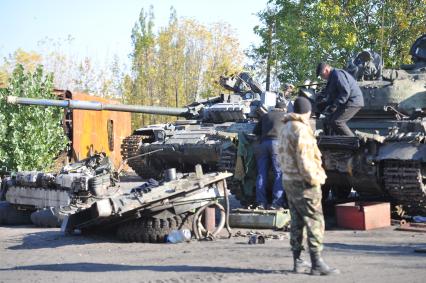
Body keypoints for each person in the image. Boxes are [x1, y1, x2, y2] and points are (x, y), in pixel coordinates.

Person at [278, 96, 339, 275]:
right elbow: (305, 160)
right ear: (307, 111)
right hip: (304, 182)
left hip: (289, 180)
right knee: (315, 221)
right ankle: (317, 263)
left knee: (297, 221)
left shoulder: (286, 127)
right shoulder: (301, 129)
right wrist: (314, 179)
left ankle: (297, 261)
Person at [252, 102, 287, 210]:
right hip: (277, 144)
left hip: (263, 145)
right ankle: (276, 203)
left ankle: (261, 203)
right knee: (279, 174)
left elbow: (255, 131)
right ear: (284, 109)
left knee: (261, 174)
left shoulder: (266, 115)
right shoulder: (287, 116)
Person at [316, 62, 364, 136]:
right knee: (328, 120)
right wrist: (322, 106)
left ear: (326, 70)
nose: (322, 77)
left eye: (322, 75)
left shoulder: (337, 74)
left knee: (337, 122)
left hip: (352, 101)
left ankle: (353, 144)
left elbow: (345, 92)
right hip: (346, 101)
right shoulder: (332, 78)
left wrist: (334, 106)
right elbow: (333, 96)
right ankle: (337, 141)